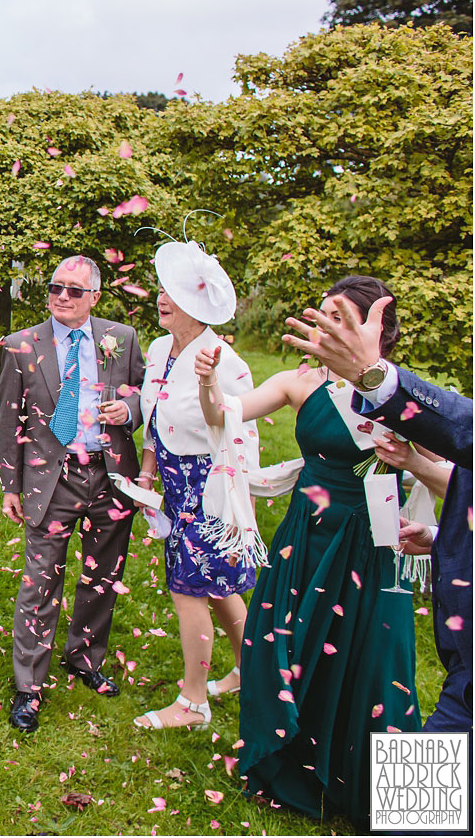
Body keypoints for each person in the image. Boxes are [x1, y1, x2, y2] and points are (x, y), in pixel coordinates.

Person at [196, 275, 421, 830]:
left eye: (337, 316)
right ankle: (284, 761)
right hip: (305, 533)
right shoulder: (300, 383)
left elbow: (441, 467)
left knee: (367, 654)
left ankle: (393, 796)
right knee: (282, 638)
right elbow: (224, 413)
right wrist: (206, 382)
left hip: (368, 538)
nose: (323, 326)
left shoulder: (404, 394)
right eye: (320, 314)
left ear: (376, 330)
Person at [282, 292, 471, 734]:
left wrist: (368, 374)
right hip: (466, 678)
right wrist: (441, 534)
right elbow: (463, 431)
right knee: (418, 801)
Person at [0, 255, 145, 733]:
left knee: (103, 575)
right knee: (40, 581)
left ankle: (85, 658)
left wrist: (130, 409)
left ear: (94, 297)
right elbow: (8, 421)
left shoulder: (121, 339)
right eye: (56, 287)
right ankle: (29, 686)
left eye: (75, 290)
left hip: (110, 474)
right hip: (51, 480)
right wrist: (10, 485)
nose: (63, 296)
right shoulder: (22, 346)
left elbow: (146, 393)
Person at [132, 242, 260, 731]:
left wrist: (230, 508)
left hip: (210, 487)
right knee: (218, 588)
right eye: (162, 289)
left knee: (190, 589)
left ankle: (192, 703)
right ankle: (252, 672)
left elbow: (241, 435)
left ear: (199, 304)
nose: (161, 298)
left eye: (174, 293)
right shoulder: (162, 348)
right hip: (173, 481)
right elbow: (155, 413)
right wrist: (147, 470)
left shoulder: (224, 362)